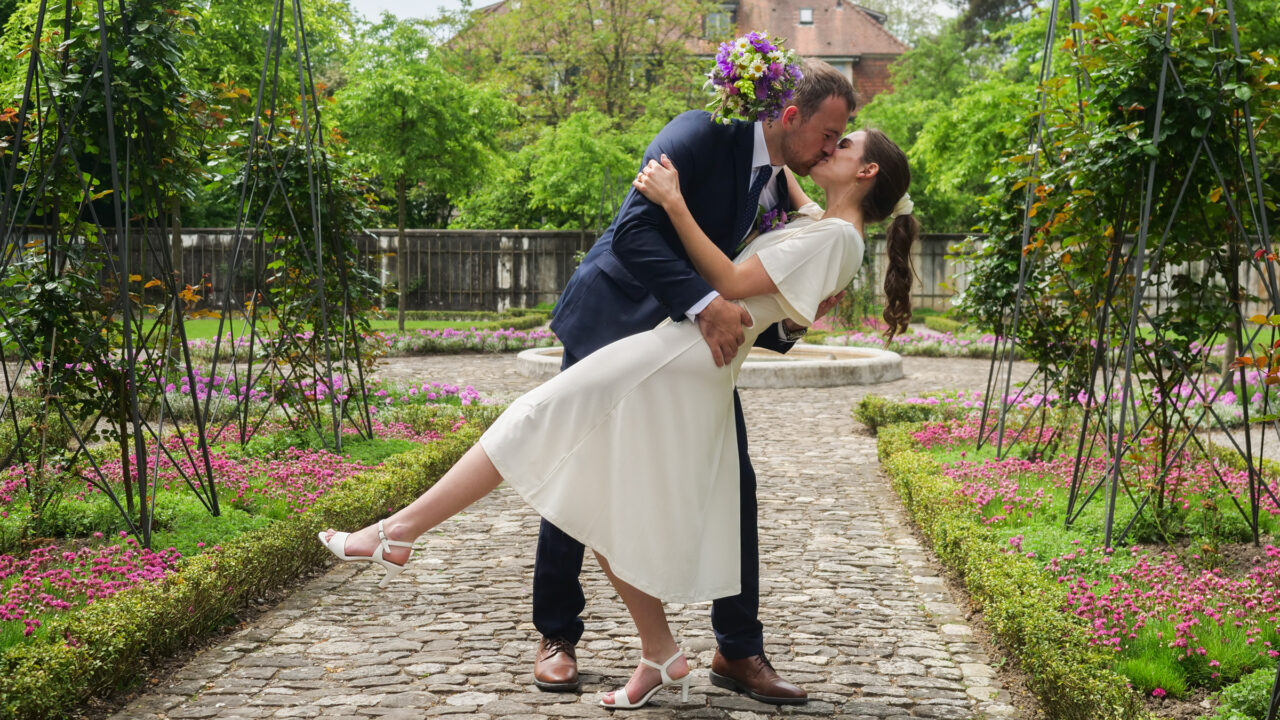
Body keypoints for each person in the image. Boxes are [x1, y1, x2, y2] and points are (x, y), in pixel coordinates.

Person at [319, 126, 919, 710]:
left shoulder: (838, 238)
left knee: (531, 422)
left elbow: (732, 280)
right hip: (679, 353)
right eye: (829, 133)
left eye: (842, 143)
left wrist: (675, 203)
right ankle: (659, 654)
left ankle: (396, 534)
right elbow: (783, 167)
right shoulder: (824, 222)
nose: (828, 145)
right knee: (592, 490)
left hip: (678, 358)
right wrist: (763, 105)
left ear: (865, 172)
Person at [532, 58, 857, 706]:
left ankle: (736, 649)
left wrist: (793, 324)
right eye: (829, 134)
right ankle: (556, 636)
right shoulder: (698, 133)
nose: (831, 147)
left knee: (732, 482)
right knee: (577, 472)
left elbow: (752, 285)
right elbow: (633, 234)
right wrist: (708, 306)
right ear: (790, 117)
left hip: (684, 345)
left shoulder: (778, 187)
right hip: (613, 318)